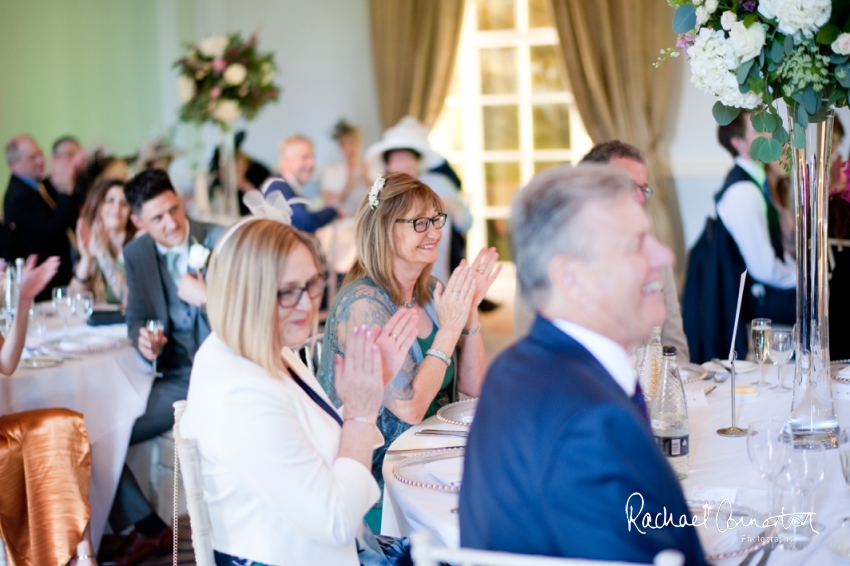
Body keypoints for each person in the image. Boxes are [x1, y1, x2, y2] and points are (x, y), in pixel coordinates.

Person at [460, 164, 706, 564]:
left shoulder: (515, 367)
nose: (666, 255)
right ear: (570, 278)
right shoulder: (593, 425)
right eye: (637, 243)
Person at [181, 214, 417, 566]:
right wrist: (360, 413)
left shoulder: (267, 349)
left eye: (312, 285)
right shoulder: (238, 393)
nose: (308, 305)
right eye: (288, 292)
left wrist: (375, 383)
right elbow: (336, 522)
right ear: (246, 292)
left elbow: (307, 438)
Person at [318, 172, 498, 496]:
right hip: (381, 478)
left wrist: (468, 312)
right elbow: (411, 409)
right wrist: (450, 328)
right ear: (385, 230)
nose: (435, 232)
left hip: (436, 459)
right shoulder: (362, 305)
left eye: (436, 219)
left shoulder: (430, 292)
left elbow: (472, 392)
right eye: (419, 223)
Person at [108, 169, 224, 566]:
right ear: (138, 221)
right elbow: (137, 317)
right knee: (103, 431)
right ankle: (150, 529)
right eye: (157, 218)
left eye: (174, 209)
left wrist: (207, 298)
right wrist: (146, 342)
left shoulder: (220, 239)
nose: (172, 222)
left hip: (223, 376)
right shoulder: (137, 254)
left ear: (181, 199)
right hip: (175, 378)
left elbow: (249, 318)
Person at [514, 141, 690, 362]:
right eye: (627, 185)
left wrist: (676, 383)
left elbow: (673, 336)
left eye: (643, 188)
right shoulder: (550, 256)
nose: (639, 198)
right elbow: (533, 348)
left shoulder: (652, 251)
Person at [365, 117, 472, 285]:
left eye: (408, 158)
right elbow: (371, 225)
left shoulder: (439, 183)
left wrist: (450, 205)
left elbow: (466, 222)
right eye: (397, 159)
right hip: (394, 262)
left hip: (436, 261)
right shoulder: (381, 189)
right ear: (388, 165)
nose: (404, 164)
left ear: (417, 161)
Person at [715, 113, 795, 322]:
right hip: (754, 301)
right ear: (739, 143)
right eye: (759, 130)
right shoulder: (744, 191)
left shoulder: (757, 182)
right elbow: (763, 269)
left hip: (764, 291)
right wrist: (803, 279)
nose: (770, 134)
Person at [4, 135, 82, 298]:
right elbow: (53, 231)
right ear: (14, 164)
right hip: (46, 285)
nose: (40, 161)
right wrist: (65, 191)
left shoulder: (34, 187)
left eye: (40, 154)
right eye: (33, 157)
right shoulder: (18, 197)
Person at [69, 178, 136, 306]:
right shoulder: (93, 240)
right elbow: (74, 300)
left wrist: (103, 254)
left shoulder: (138, 242)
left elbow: (131, 300)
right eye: (110, 200)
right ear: (98, 204)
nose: (117, 207)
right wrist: (87, 258)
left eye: (124, 203)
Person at [262, 135, 341, 233]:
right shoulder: (276, 186)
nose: (312, 163)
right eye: (304, 158)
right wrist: (333, 211)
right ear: (285, 161)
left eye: (313, 157)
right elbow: (306, 222)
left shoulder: (285, 186)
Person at [321, 119, 370, 218]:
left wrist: (366, 178)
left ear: (360, 143)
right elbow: (327, 205)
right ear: (340, 147)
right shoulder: (331, 172)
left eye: (352, 143)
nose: (349, 149)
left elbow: (384, 198)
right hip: (343, 223)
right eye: (344, 145)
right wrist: (346, 187)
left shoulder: (372, 167)